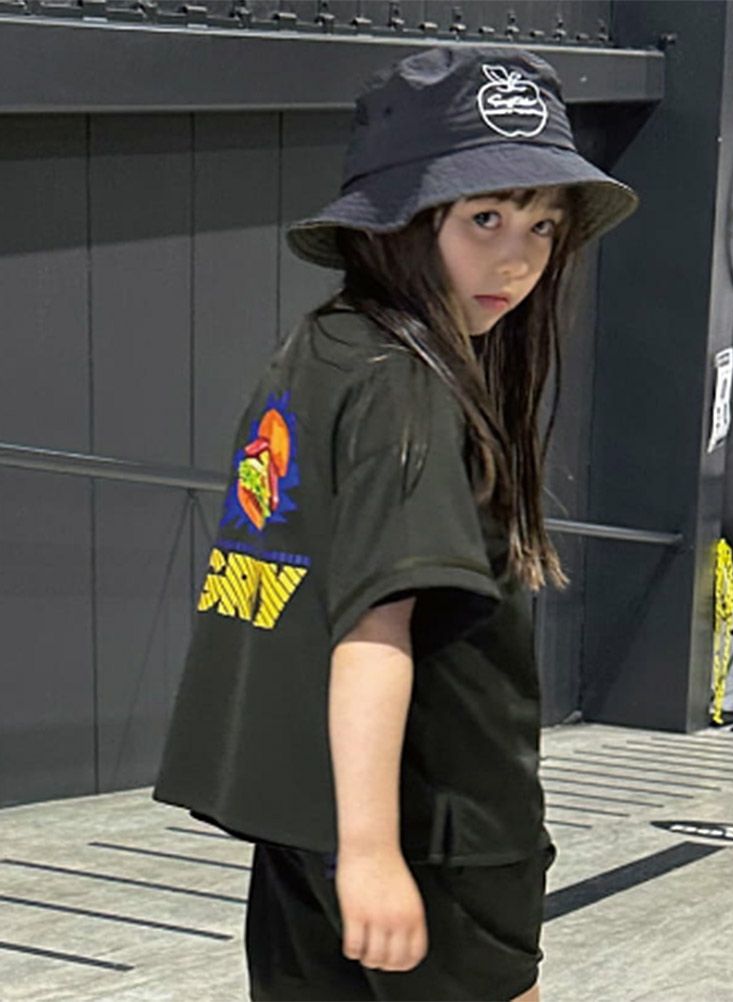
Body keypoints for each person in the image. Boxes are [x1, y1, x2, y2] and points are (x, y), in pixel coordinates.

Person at [153, 44, 637, 1002]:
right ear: (399, 222)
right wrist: (375, 853)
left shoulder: (325, 346)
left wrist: (348, 843)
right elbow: (376, 629)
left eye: (543, 225)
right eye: (484, 217)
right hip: (437, 827)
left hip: (309, 815)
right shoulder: (405, 384)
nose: (518, 259)